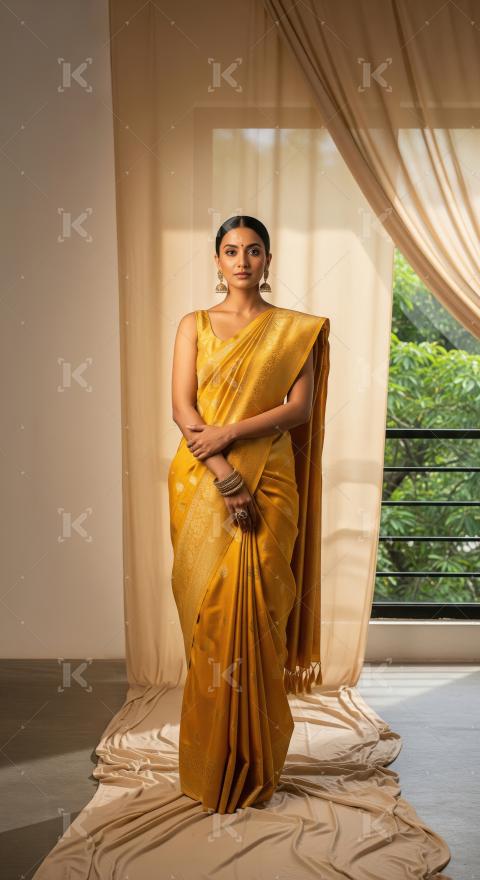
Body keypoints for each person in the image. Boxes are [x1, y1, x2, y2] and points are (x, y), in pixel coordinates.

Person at [168, 215, 330, 814]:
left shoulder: (293, 331)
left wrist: (231, 434)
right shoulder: (193, 325)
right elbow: (183, 409)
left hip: (273, 480)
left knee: (259, 611)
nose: (242, 260)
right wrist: (225, 473)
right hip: (202, 482)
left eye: (253, 250)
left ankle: (257, 761)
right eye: (231, 251)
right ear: (216, 260)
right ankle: (211, 763)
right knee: (213, 616)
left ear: (267, 259)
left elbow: (299, 408)